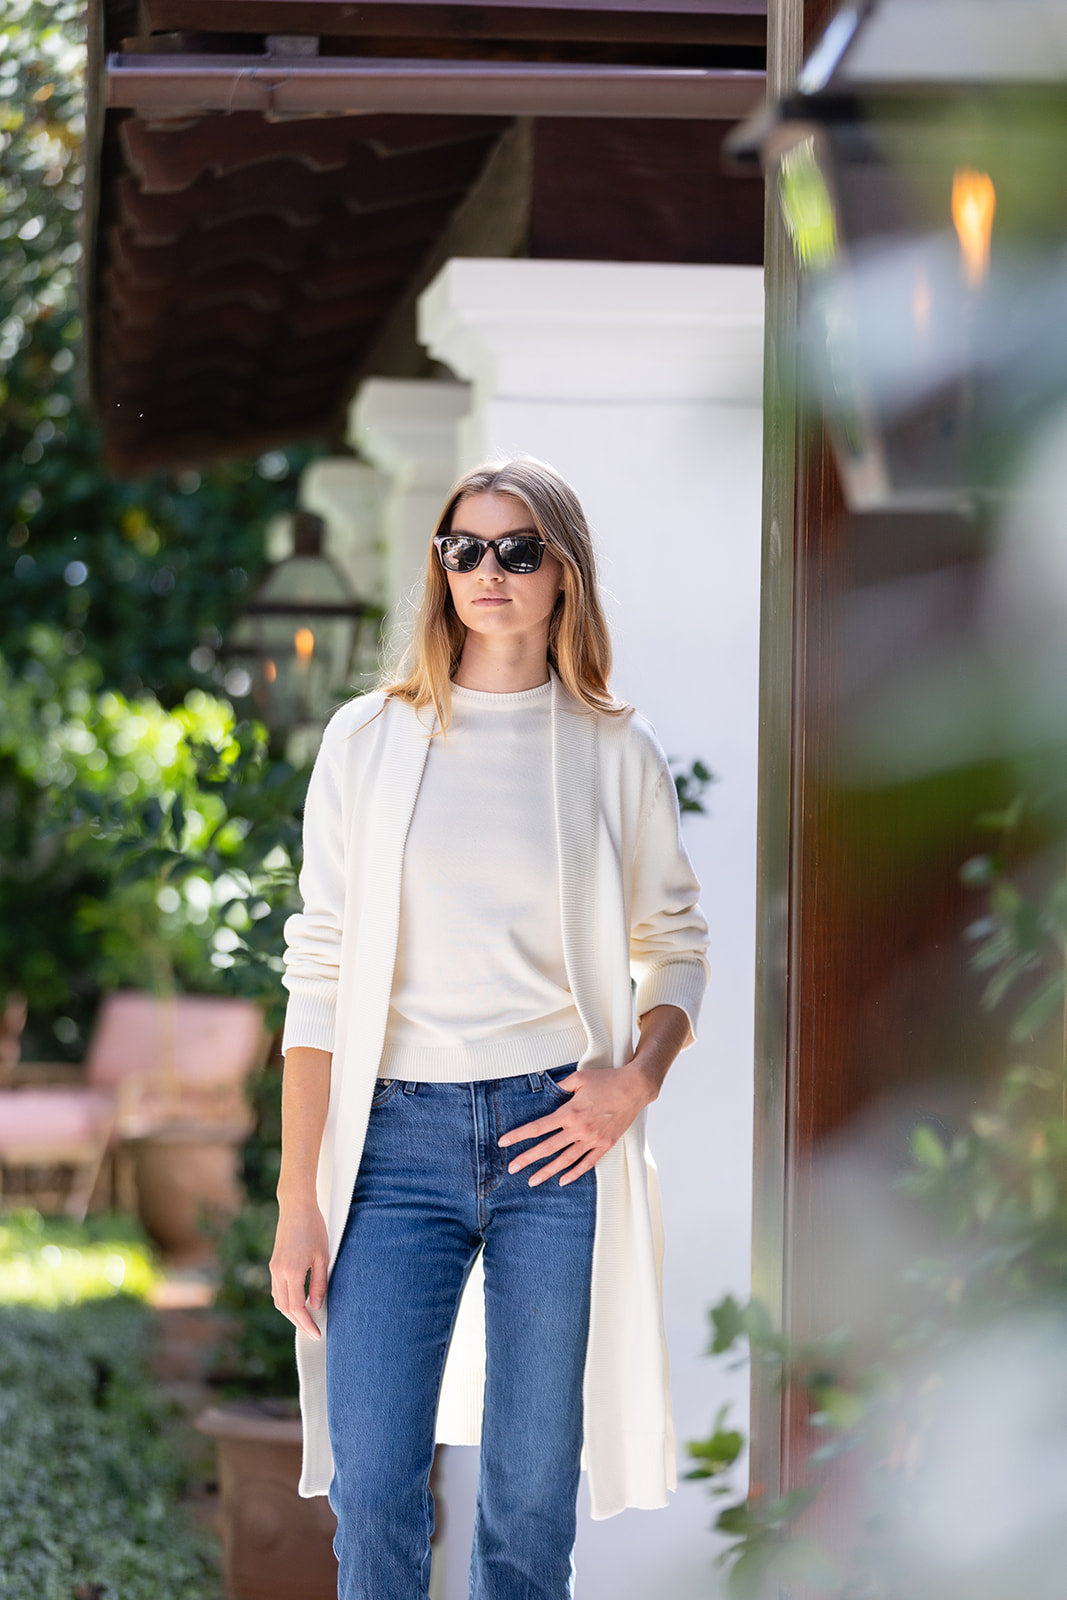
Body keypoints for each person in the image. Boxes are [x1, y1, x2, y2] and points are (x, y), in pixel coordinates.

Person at [270, 456, 709, 1600]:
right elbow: (317, 976)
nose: (487, 571)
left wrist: (636, 1079)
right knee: (374, 1484)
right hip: (391, 1145)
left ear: (562, 573)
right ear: (440, 567)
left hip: (554, 1138)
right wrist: (296, 1197)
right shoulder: (368, 740)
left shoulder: (612, 748)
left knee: (527, 1499)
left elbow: (677, 947)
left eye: (517, 550)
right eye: (462, 548)